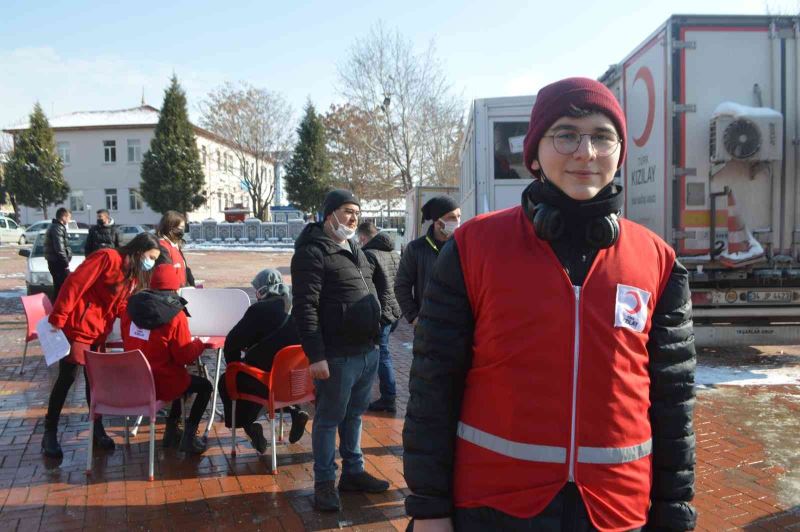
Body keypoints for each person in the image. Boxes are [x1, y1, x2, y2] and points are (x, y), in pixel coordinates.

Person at [403, 77, 697, 531]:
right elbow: (432, 387)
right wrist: (429, 509)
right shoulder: (474, 248)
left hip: (618, 510)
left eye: (603, 136)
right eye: (566, 134)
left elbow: (673, 402)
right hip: (495, 507)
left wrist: (674, 512)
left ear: (620, 152)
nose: (586, 151)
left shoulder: (657, 261)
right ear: (535, 152)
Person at [291, 189, 389, 512]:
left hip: (366, 350)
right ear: (329, 213)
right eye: (347, 211)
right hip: (336, 355)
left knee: (355, 415)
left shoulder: (352, 246)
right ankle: (324, 483)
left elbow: (369, 286)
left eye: (357, 214)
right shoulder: (312, 252)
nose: (353, 218)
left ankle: (353, 472)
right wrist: (316, 355)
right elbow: (305, 307)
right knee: (329, 419)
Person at [42, 232, 162, 459]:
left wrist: (140, 320)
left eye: (155, 259)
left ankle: (97, 430)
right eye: (150, 257)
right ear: (138, 252)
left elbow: (119, 305)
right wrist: (58, 317)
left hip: (97, 332)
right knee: (67, 377)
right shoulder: (107, 258)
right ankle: (49, 431)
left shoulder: (131, 274)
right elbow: (74, 284)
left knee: (94, 381)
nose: (151, 263)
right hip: (77, 327)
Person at [121, 263, 211, 454]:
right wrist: (200, 343)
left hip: (135, 382)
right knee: (204, 386)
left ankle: (171, 432)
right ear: (175, 287)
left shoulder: (130, 309)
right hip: (163, 382)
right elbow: (184, 356)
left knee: (182, 380)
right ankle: (189, 436)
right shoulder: (175, 314)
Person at [218, 269, 310, 453]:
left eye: (256, 290)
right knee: (281, 374)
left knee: (226, 383)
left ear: (263, 290)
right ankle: (295, 411)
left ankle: (250, 426)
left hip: (266, 383)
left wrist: (234, 367)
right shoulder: (296, 309)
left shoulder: (259, 310)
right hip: (296, 384)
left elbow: (231, 343)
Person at [357, 222, 402, 413]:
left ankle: (388, 397)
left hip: (381, 312)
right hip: (394, 310)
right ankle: (386, 394)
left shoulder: (369, 254)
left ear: (364, 237)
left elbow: (366, 285)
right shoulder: (393, 252)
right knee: (383, 352)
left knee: (382, 354)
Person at [394, 196, 460, 325]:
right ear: (438, 221)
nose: (457, 221)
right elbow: (401, 286)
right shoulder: (416, 248)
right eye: (452, 217)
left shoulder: (464, 246)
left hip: (460, 327)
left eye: (459, 216)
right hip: (428, 329)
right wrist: (414, 317)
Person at [156, 210, 194, 287]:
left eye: (183, 229)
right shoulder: (162, 246)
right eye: (180, 228)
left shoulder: (175, 245)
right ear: (170, 228)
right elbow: (166, 273)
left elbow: (184, 268)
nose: (182, 232)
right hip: (170, 292)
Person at [44, 207, 72, 300]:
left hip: (55, 262)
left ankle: (57, 308)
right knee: (62, 288)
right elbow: (60, 249)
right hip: (58, 263)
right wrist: (66, 263)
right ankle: (58, 309)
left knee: (59, 287)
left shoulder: (55, 227)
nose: (69, 220)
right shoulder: (57, 228)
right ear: (63, 217)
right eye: (69, 217)